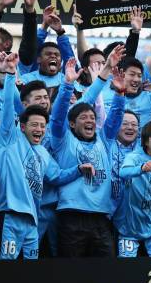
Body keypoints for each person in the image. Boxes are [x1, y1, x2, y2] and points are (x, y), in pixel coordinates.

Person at [0, 52, 88, 260]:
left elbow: (56, 176)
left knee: (32, 273)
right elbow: (8, 108)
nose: (39, 129)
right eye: (34, 125)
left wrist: (79, 170)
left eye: (42, 126)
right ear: (23, 126)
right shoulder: (10, 139)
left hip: (32, 221)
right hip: (9, 214)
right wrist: (10, 75)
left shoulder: (43, 152)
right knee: (2, 270)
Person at [50, 47, 126, 257]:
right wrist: (67, 86)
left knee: (105, 277)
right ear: (72, 124)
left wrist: (119, 94)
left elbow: (115, 118)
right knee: (71, 278)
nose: (90, 120)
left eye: (92, 117)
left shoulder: (104, 140)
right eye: (83, 118)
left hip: (102, 218)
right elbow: (57, 116)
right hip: (72, 217)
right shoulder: (63, 140)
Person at [114, 120, 151, 257]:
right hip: (129, 228)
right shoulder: (134, 157)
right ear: (145, 142)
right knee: (126, 270)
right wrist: (141, 168)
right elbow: (123, 173)